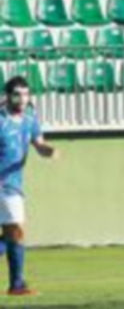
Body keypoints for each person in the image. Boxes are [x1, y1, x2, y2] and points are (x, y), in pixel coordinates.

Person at [0, 76, 58, 296]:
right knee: (16, 230)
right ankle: (17, 285)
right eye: (17, 94)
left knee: (11, 233)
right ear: (7, 96)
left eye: (26, 94)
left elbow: (39, 144)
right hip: (3, 185)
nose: (22, 98)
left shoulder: (30, 119)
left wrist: (48, 151)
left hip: (13, 183)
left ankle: (16, 285)